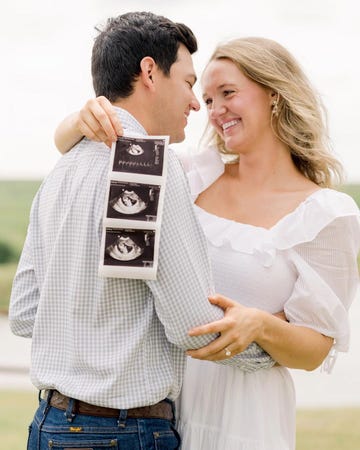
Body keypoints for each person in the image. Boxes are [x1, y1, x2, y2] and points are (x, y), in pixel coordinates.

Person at [54, 36, 360, 449]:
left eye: (227, 94)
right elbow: (77, 148)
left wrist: (260, 324)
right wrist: (80, 119)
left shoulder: (326, 214)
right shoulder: (189, 174)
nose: (215, 112)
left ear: (274, 94)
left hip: (245, 417)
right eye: (208, 99)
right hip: (158, 409)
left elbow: (315, 349)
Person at [8, 14, 274, 450]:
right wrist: (269, 348)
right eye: (189, 83)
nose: (194, 103)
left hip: (47, 427)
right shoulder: (145, 165)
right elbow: (194, 325)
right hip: (122, 433)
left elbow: (23, 312)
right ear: (150, 72)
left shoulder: (62, 169)